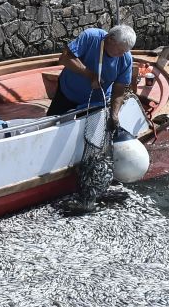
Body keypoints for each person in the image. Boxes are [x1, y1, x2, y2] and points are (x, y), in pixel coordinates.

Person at [50, 24, 136, 215]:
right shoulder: (91, 37)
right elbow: (65, 58)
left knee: (91, 143)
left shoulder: (125, 59)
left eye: (125, 51)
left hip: (97, 103)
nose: (122, 54)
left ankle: (83, 176)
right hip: (68, 92)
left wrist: (114, 114)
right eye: (120, 50)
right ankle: (50, 165)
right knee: (52, 126)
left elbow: (119, 90)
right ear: (110, 40)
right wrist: (89, 74)